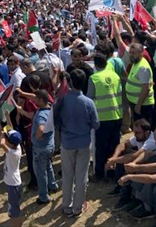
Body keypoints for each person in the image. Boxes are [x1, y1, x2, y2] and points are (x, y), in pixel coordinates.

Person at [55, 67, 98, 217]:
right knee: (81, 176)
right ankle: (78, 207)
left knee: (67, 176)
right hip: (83, 143)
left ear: (70, 81)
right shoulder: (88, 102)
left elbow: (55, 120)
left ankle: (67, 207)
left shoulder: (62, 100)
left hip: (67, 143)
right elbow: (96, 124)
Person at [89, 52, 123, 182]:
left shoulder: (94, 78)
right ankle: (111, 172)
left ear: (96, 65)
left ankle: (99, 174)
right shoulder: (115, 76)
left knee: (100, 147)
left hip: (102, 118)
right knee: (114, 146)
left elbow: (90, 98)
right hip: (117, 115)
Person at [30, 89, 58, 205]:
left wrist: (37, 135)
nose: (34, 100)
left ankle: (43, 197)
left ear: (41, 100)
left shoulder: (41, 114)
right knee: (48, 166)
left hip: (41, 148)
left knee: (40, 173)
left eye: (36, 98)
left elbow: (41, 129)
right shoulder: (50, 109)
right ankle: (53, 185)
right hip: (50, 145)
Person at [125, 43, 156, 124]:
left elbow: (146, 88)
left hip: (143, 105)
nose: (131, 55)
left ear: (141, 53)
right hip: (135, 102)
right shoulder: (136, 63)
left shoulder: (143, 68)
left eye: (134, 53)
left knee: (143, 128)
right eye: (130, 52)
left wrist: (138, 105)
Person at [1, 130, 23, 227]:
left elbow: (2, 143)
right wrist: (8, 118)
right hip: (14, 183)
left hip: (13, 185)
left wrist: (2, 135)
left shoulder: (12, 153)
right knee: (14, 208)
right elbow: (12, 130)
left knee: (14, 211)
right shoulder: (17, 146)